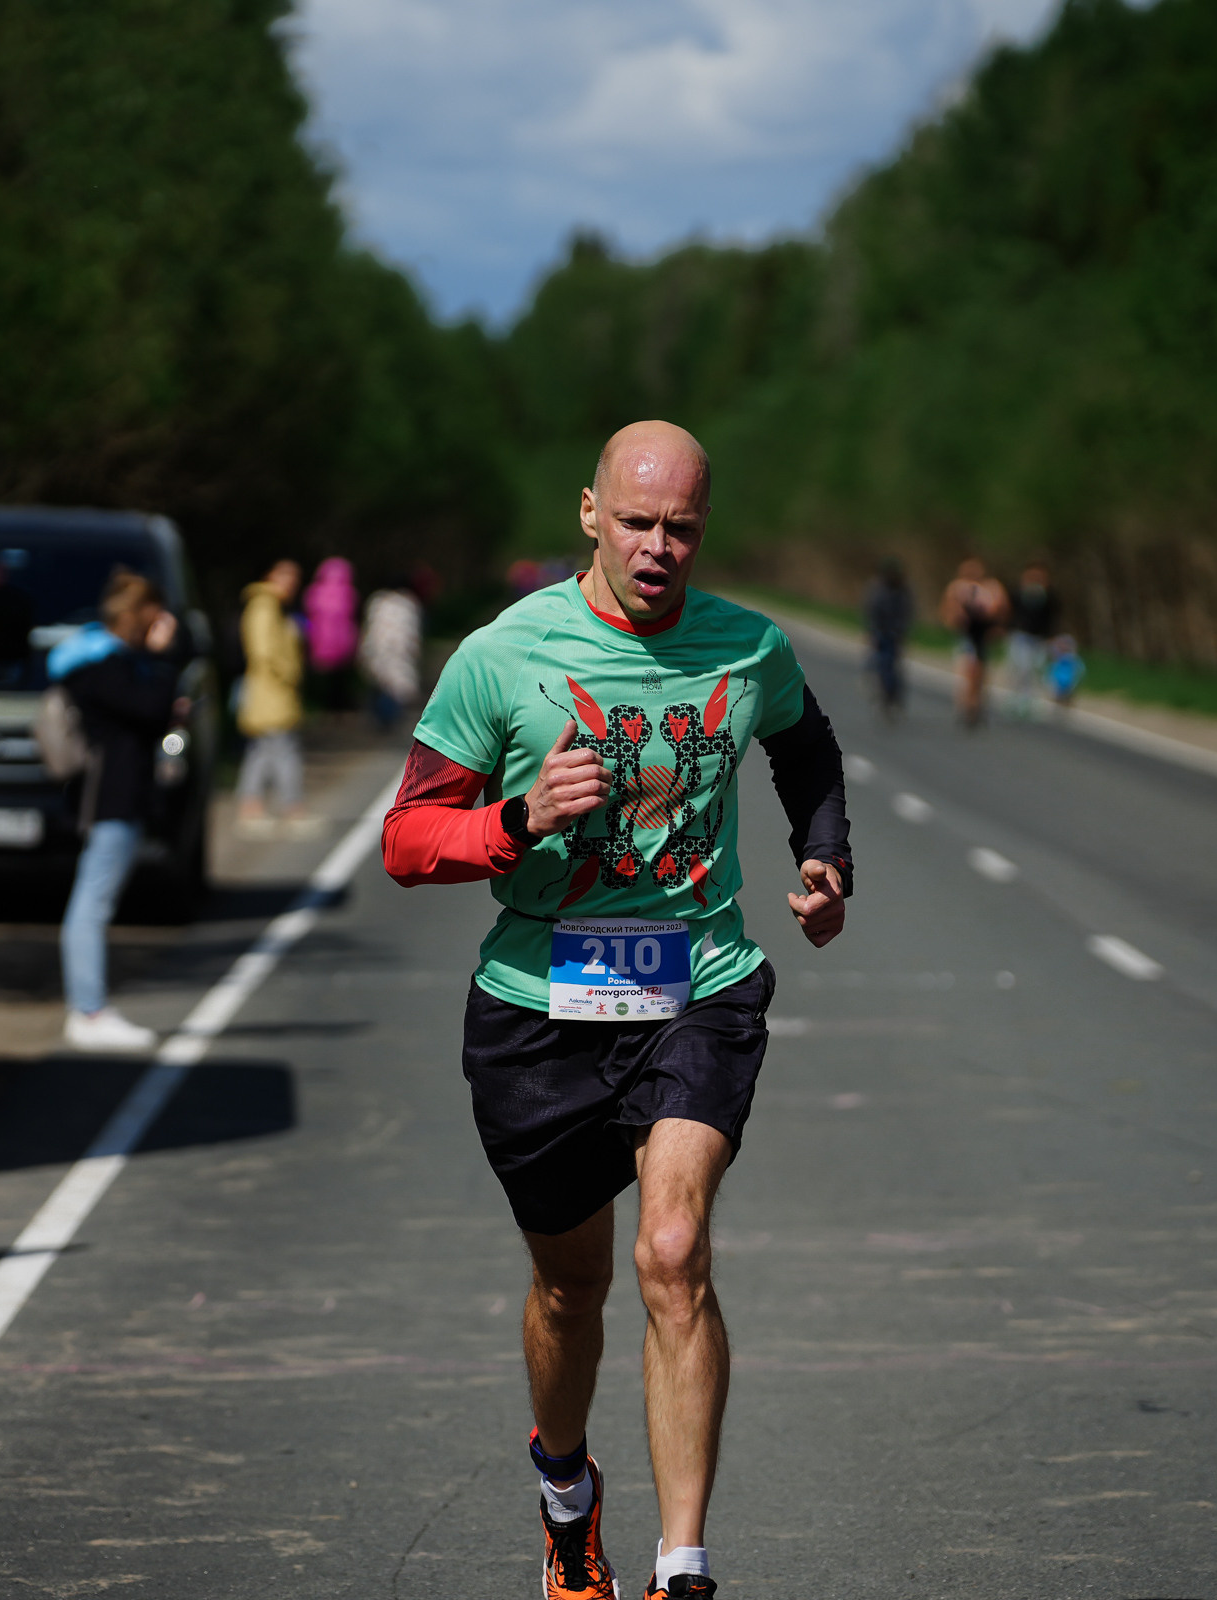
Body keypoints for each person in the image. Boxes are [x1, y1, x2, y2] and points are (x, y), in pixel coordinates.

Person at [380, 420, 852, 1600]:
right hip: (538, 1010)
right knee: (568, 1290)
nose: (657, 548)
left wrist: (826, 854)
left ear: (703, 530)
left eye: (680, 528)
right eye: (636, 523)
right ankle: (565, 1491)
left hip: (697, 986)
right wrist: (518, 818)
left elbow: (808, 749)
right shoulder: (503, 654)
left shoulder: (748, 649)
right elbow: (404, 838)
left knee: (674, 1252)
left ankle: (682, 1565)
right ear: (588, 514)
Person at [50, 570, 181, 1053]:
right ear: (138, 616)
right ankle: (88, 1010)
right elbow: (150, 710)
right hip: (110, 797)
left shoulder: (103, 661)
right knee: (91, 904)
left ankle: (89, 1007)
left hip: (117, 795)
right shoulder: (101, 665)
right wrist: (163, 659)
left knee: (94, 901)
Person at [236, 558, 308, 833]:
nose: (291, 583)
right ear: (270, 576)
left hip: (269, 691)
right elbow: (263, 650)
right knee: (282, 748)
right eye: (285, 576)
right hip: (271, 691)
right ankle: (292, 807)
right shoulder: (265, 606)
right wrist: (289, 671)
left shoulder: (271, 606)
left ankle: (251, 806)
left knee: (263, 750)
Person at [938, 557, 1007, 728]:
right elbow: (948, 611)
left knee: (981, 673)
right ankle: (966, 705)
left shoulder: (991, 587)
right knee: (966, 671)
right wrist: (954, 619)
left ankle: (978, 704)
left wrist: (997, 625)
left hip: (983, 635)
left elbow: (1001, 608)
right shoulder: (957, 588)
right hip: (966, 635)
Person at [361, 578, 425, 730]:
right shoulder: (409, 605)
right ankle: (388, 720)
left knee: (379, 685)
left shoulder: (377, 602)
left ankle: (379, 719)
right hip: (399, 653)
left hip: (377, 651)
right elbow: (411, 633)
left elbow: (369, 628)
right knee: (395, 688)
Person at [305, 556, 361, 712]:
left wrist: (311, 632)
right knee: (341, 678)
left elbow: (310, 616)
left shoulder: (314, 591)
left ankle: (324, 706)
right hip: (343, 641)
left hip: (320, 640)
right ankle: (339, 707)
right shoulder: (349, 592)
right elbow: (353, 617)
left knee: (325, 678)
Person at [859, 558, 912, 717]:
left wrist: (901, 631)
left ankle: (892, 695)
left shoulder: (902, 591)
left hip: (895, 634)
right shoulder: (877, 590)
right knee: (881, 664)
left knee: (893, 666)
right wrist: (872, 632)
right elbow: (871, 612)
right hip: (880, 633)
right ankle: (885, 694)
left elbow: (906, 612)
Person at [1005, 560, 1059, 711]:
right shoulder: (1018, 593)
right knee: (1021, 668)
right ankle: (1015, 697)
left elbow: (1052, 618)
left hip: (1039, 638)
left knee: (1036, 668)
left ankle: (1031, 700)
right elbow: (1010, 613)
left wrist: (1051, 636)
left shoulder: (1049, 597)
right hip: (1020, 636)